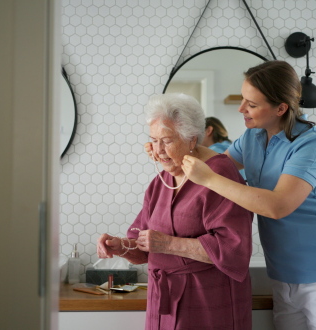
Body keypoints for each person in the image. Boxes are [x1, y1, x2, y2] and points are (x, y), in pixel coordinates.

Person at [148, 61, 316, 330]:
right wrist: (167, 149)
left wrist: (209, 178)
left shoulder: (311, 143)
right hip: (283, 274)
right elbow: (219, 162)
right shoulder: (252, 138)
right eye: (243, 99)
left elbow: (277, 206)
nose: (241, 108)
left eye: (251, 104)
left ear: (281, 108)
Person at [97, 93, 254, 330]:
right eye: (153, 140)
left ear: (192, 139)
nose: (157, 151)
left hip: (208, 302)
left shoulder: (219, 174)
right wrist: (120, 246)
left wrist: (168, 244)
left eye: (167, 141)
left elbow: (234, 250)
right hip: (163, 303)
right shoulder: (160, 181)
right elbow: (143, 247)